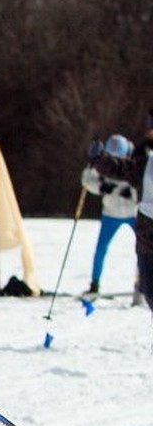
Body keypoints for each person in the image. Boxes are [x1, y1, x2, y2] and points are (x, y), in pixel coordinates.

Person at [87, 115, 153, 317]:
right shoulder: (146, 163)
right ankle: (97, 282)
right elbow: (118, 168)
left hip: (135, 219)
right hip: (145, 233)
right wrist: (98, 159)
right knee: (149, 289)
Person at [81, 134, 138, 301]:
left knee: (143, 250)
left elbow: (145, 183)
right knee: (101, 249)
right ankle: (95, 284)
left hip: (132, 214)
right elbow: (87, 179)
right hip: (110, 213)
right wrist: (100, 187)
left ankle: (141, 284)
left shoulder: (136, 162)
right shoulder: (101, 164)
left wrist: (133, 194)